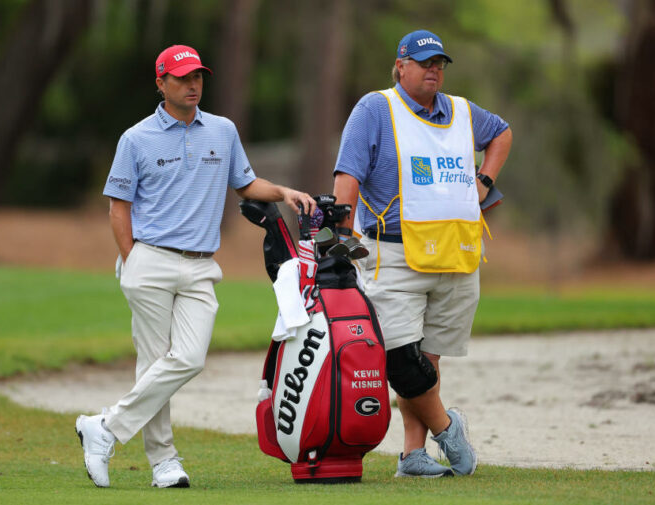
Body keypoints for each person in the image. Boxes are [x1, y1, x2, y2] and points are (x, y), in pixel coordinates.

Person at [75, 44, 315, 489]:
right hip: (150, 259)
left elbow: (245, 184)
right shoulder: (136, 138)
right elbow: (118, 207)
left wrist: (283, 192)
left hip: (202, 265)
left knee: (188, 357)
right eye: (183, 78)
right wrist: (134, 263)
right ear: (161, 82)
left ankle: (104, 427)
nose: (193, 85)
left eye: (198, 77)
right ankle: (164, 463)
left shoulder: (222, 131)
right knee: (153, 363)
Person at [332, 30, 512, 478]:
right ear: (400, 66)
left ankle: (413, 455)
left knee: (428, 359)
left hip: (457, 254)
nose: (434, 69)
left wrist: (482, 183)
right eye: (425, 61)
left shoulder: (463, 111)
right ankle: (448, 429)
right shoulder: (376, 108)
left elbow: (503, 133)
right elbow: (347, 178)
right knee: (399, 357)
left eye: (440, 63)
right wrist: (341, 241)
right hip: (391, 255)